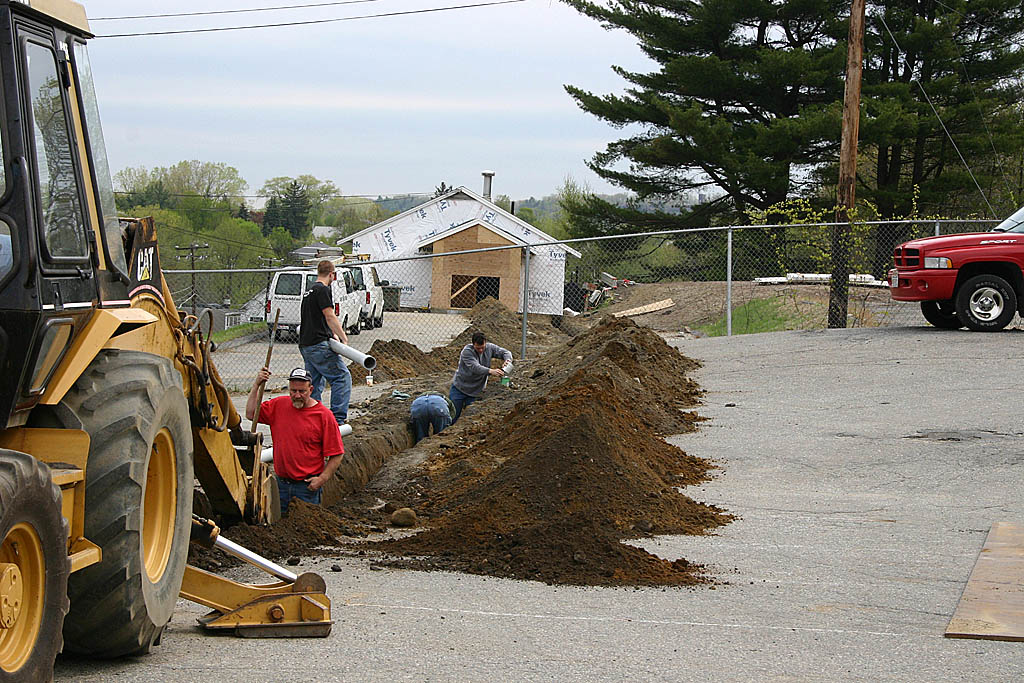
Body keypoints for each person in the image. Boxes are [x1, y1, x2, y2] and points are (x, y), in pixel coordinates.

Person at [246, 366, 344, 516]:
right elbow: (251, 413)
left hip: (307, 488)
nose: (297, 395)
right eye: (293, 391)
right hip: (281, 485)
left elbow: (337, 454)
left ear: (311, 390)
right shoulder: (278, 406)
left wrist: (322, 479)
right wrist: (256, 385)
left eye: (302, 391)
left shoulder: (324, 416)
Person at [299, 259, 352, 425]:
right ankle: (337, 420)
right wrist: (343, 337)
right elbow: (329, 315)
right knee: (342, 377)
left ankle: (312, 419)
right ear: (332, 275)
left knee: (314, 382)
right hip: (318, 345)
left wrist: (330, 335)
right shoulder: (323, 290)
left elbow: (315, 319)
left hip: (307, 344)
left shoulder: (309, 292)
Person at [448, 331, 513, 423]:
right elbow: (475, 367)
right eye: (478, 348)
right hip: (460, 388)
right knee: (453, 416)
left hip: (476, 391)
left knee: (469, 420)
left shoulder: (489, 348)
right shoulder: (467, 352)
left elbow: (505, 352)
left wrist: (508, 360)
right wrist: (490, 371)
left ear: (485, 343)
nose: (481, 350)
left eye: (482, 348)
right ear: (473, 344)